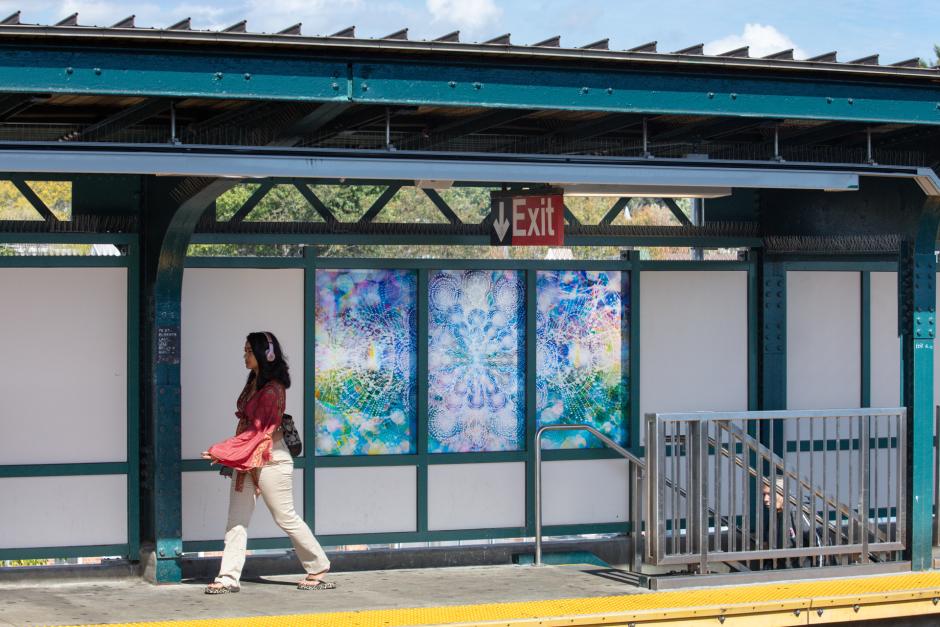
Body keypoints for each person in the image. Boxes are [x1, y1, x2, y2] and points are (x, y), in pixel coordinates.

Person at [201, 331, 334, 594]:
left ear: (264, 354)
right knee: (236, 520)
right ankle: (227, 577)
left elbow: (258, 433)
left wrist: (223, 451)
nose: (245, 354)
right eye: (245, 350)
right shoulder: (255, 381)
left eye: (249, 350)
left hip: (271, 459)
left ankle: (318, 566)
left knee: (285, 517)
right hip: (247, 458)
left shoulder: (273, 390)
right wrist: (230, 452)